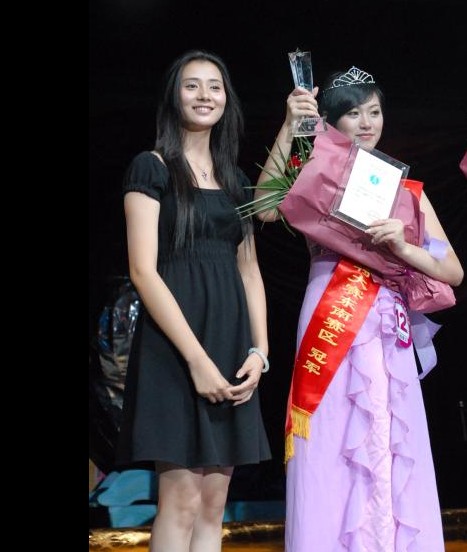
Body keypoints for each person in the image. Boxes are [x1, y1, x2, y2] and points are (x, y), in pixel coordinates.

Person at [254, 67, 464, 551]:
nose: (367, 123)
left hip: (386, 321)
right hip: (331, 312)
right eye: (353, 113)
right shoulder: (313, 171)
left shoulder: (406, 191)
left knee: (391, 435)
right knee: (333, 437)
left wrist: (403, 248)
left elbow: (452, 271)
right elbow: (264, 206)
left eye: (374, 112)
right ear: (330, 122)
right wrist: (291, 125)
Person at [116, 49, 271, 552]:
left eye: (214, 86)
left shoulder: (235, 179)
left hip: (230, 344)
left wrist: (259, 350)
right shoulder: (152, 167)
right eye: (192, 85)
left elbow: (249, 270)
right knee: (181, 500)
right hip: (176, 349)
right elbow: (143, 271)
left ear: (227, 100)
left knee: (213, 502)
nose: (204, 95)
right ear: (174, 96)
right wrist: (197, 361)